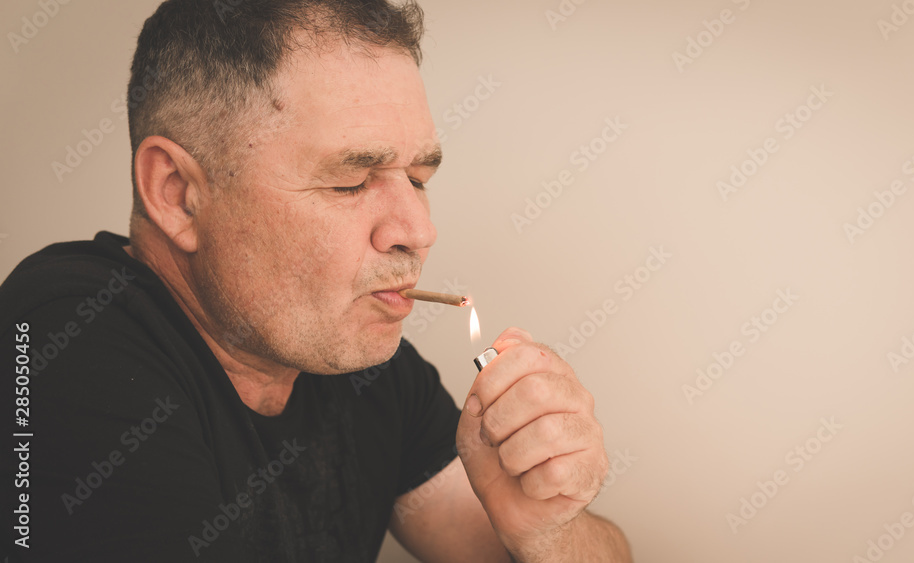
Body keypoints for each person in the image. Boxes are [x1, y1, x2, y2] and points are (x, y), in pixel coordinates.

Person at [1, 0, 631, 561]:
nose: (419, 230)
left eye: (418, 179)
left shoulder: (369, 371)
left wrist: (549, 532)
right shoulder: (61, 337)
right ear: (178, 193)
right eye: (350, 182)